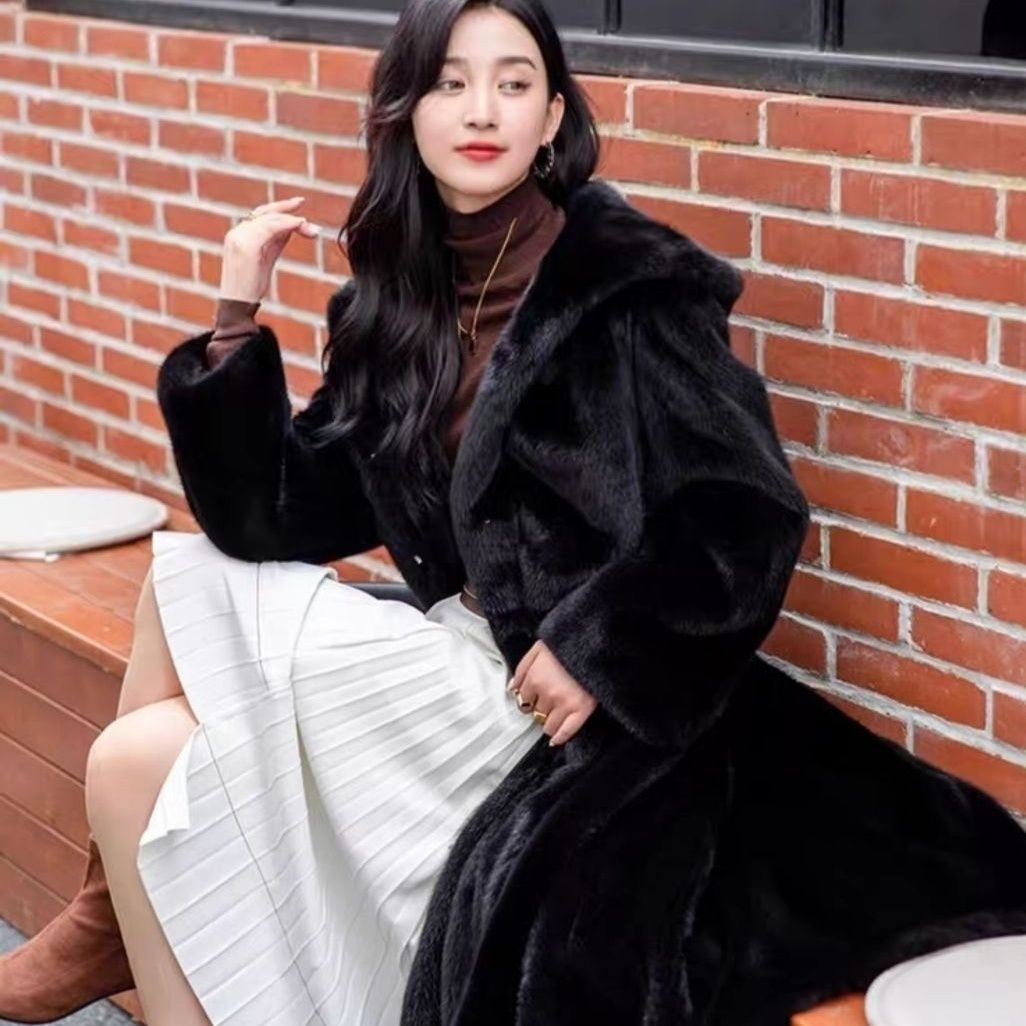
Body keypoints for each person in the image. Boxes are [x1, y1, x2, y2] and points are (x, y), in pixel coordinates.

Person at [3, 1, 1026, 1025]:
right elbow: (275, 518)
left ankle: (104, 920)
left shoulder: (630, 289)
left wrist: (598, 646)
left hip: (553, 705)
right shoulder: (397, 302)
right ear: (407, 111)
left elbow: (743, 512)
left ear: (552, 119)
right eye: (450, 83)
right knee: (139, 742)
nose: (482, 109)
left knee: (169, 623)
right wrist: (235, 321)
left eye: (514, 81)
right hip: (460, 659)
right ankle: (109, 915)